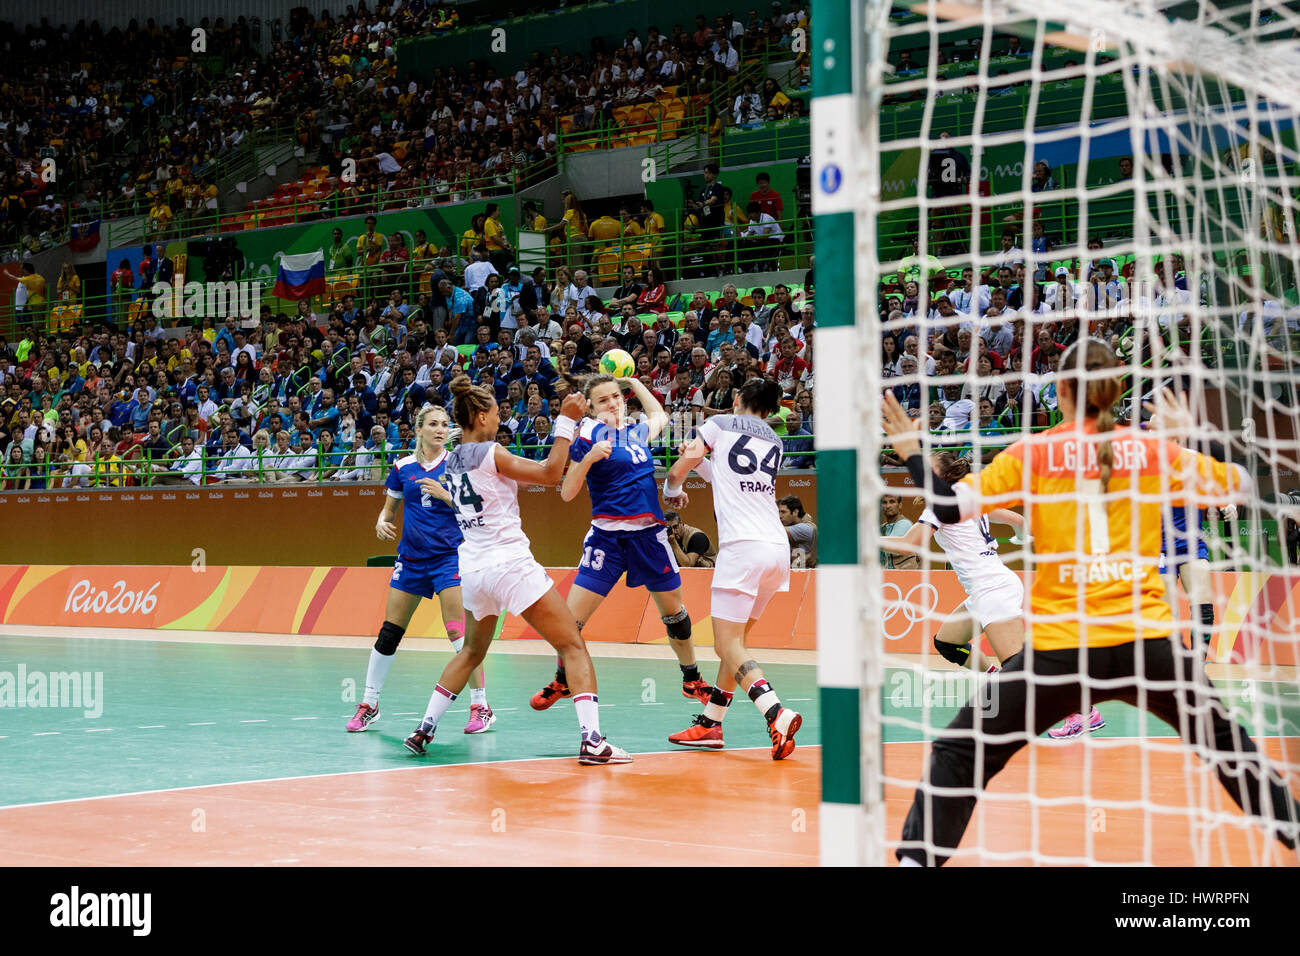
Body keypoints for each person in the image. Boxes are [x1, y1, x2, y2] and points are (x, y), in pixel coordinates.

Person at [881, 342, 1300, 866]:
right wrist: (1185, 441)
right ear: (1118, 393)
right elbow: (1239, 487)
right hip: (1148, 644)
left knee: (959, 751)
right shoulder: (1154, 449)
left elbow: (946, 505)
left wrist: (911, 453)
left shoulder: (1032, 453)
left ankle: (915, 861)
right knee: (1229, 746)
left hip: (1063, 650)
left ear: (1059, 393)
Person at [403, 378, 631, 765]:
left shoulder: (454, 458)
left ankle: (423, 728)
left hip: (472, 567)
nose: (499, 419)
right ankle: (592, 741)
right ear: (480, 416)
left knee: (473, 651)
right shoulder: (490, 451)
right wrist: (564, 422)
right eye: (494, 413)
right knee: (571, 645)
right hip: (509, 564)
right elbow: (548, 473)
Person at [531, 370, 711, 710]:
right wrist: (588, 459)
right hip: (607, 540)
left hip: (649, 538)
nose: (613, 404)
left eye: (616, 397)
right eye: (603, 400)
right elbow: (568, 493)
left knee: (675, 615)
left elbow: (660, 415)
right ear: (591, 409)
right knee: (571, 622)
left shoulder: (636, 432)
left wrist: (633, 382)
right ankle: (562, 680)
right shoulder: (587, 437)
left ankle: (692, 679)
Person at [662, 379, 803, 759]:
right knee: (735, 644)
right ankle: (711, 725)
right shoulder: (774, 440)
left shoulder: (720, 423)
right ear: (771, 410)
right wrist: (702, 463)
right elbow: (727, 477)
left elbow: (680, 469)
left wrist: (672, 487)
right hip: (776, 550)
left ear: (737, 398)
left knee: (725, 643)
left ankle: (776, 712)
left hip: (742, 549)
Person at [349, 405, 494, 736]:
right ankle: (369, 704)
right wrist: (381, 523)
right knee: (389, 633)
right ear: (419, 430)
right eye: (433, 424)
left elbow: (477, 510)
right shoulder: (402, 467)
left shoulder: (458, 465)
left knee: (460, 633)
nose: (440, 429)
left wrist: (446, 495)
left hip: (450, 558)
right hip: (412, 559)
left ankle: (481, 706)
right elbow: (387, 511)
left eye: (445, 424)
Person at [879, 451, 1027, 672]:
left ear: (944, 475)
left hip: (993, 589)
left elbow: (909, 543)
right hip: (991, 586)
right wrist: (1020, 539)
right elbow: (1018, 520)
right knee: (947, 643)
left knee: (1018, 669)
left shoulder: (940, 505)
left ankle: (1080, 707)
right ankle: (993, 678)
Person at [879, 493, 918, 569]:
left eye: (892, 502)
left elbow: (891, 545)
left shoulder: (904, 523)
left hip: (907, 576)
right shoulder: (883, 528)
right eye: (884, 502)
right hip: (889, 576)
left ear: (900, 505)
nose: (888, 506)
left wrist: (871, 540)